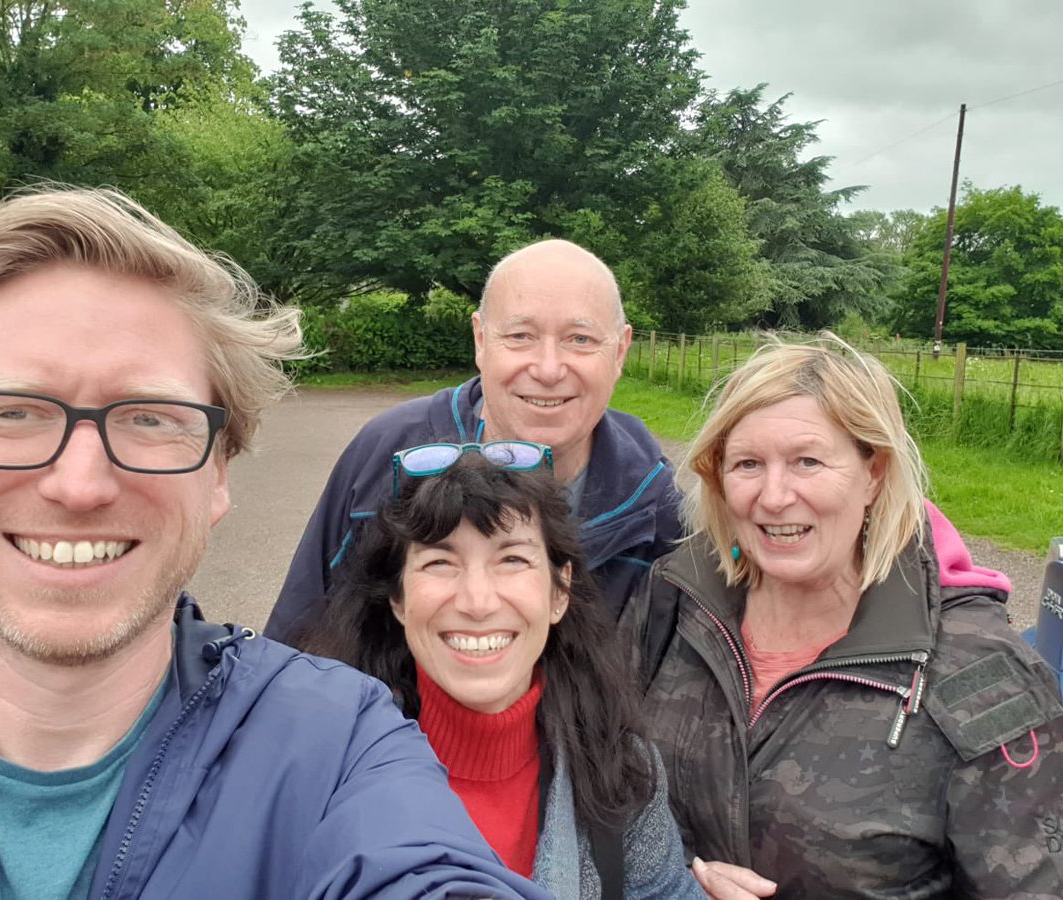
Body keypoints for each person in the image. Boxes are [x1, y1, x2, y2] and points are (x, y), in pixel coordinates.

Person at [0, 186, 549, 899]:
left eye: (150, 419)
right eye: (11, 411)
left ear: (218, 472)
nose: (80, 484)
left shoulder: (340, 744)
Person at [621, 333, 1063, 897]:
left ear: (873, 473)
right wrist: (674, 881)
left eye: (807, 461)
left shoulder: (979, 676)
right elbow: (606, 792)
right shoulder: (675, 600)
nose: (775, 496)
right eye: (748, 464)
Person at [301, 444, 777, 900]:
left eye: (512, 559)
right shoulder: (319, 775)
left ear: (559, 592)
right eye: (440, 561)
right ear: (398, 600)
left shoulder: (621, 772)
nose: (477, 601)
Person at [266, 238, 682, 642]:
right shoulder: (388, 454)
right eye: (520, 336)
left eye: (580, 339)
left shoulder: (656, 506)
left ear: (620, 352)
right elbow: (294, 641)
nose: (549, 368)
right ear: (481, 340)